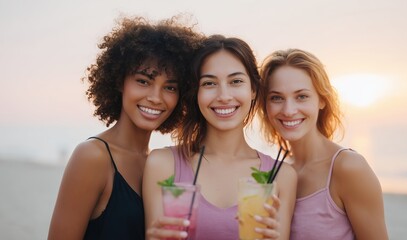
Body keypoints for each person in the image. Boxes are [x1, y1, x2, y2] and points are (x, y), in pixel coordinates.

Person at [48, 15, 203, 240]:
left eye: (170, 87)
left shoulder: (159, 163)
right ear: (120, 81)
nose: (155, 97)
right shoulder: (92, 157)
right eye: (143, 81)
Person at [143, 35, 297, 240]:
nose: (224, 96)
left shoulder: (282, 176)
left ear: (252, 90)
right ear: (195, 92)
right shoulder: (162, 164)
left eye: (236, 81)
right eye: (209, 83)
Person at [258, 48, 389, 239]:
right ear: (266, 106)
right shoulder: (279, 175)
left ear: (321, 100)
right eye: (276, 98)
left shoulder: (348, 167)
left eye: (301, 96)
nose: (288, 110)